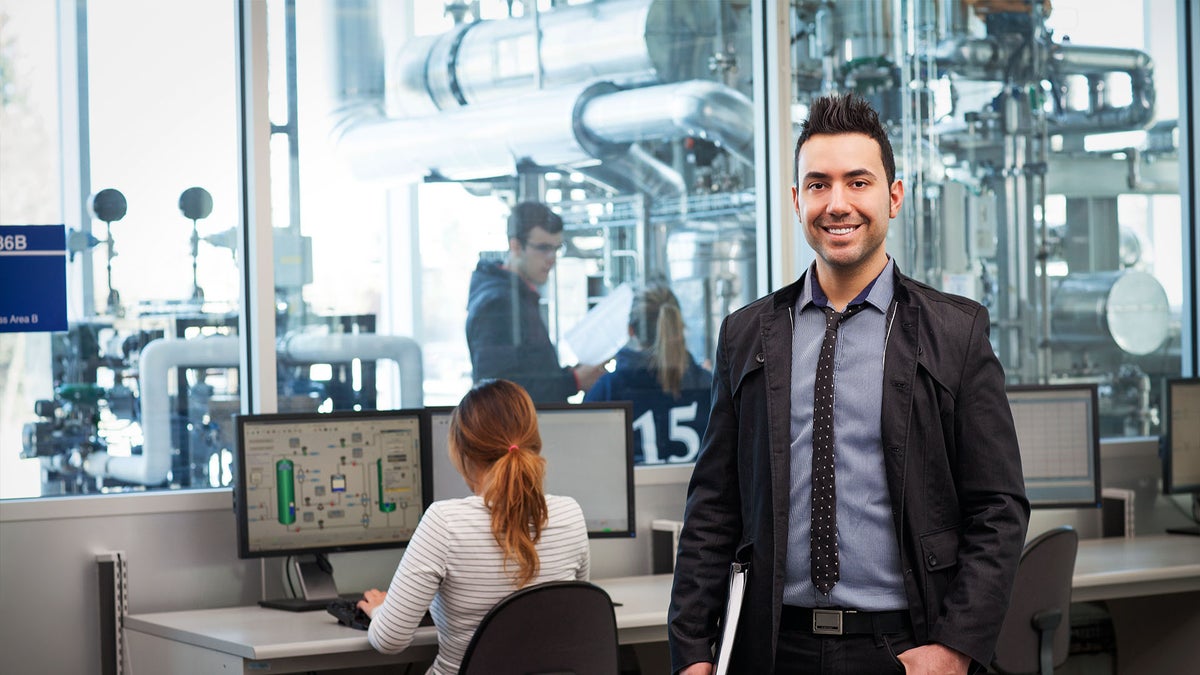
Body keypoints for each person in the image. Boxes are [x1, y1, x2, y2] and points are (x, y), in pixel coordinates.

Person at [667, 93, 1029, 675]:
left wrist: (957, 648)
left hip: (904, 650)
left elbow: (999, 507)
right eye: (818, 185)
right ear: (796, 200)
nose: (837, 204)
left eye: (858, 182)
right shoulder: (746, 335)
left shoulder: (955, 332)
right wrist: (690, 652)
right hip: (774, 649)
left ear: (894, 196)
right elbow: (714, 507)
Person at [358, 379, 590, 675]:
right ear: (534, 442)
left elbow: (389, 639)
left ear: (461, 453)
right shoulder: (570, 514)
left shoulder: (444, 522)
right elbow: (572, 609)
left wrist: (380, 609)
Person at [466, 201, 605, 402]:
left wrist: (572, 375)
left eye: (557, 249)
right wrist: (572, 381)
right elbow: (498, 393)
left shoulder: (515, 298)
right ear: (515, 246)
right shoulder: (498, 304)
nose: (552, 258)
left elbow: (527, 373)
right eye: (543, 248)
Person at [585, 284, 713, 464]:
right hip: (693, 492)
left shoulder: (609, 389)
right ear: (678, 326)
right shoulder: (706, 385)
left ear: (631, 330)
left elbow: (584, 455)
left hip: (632, 492)